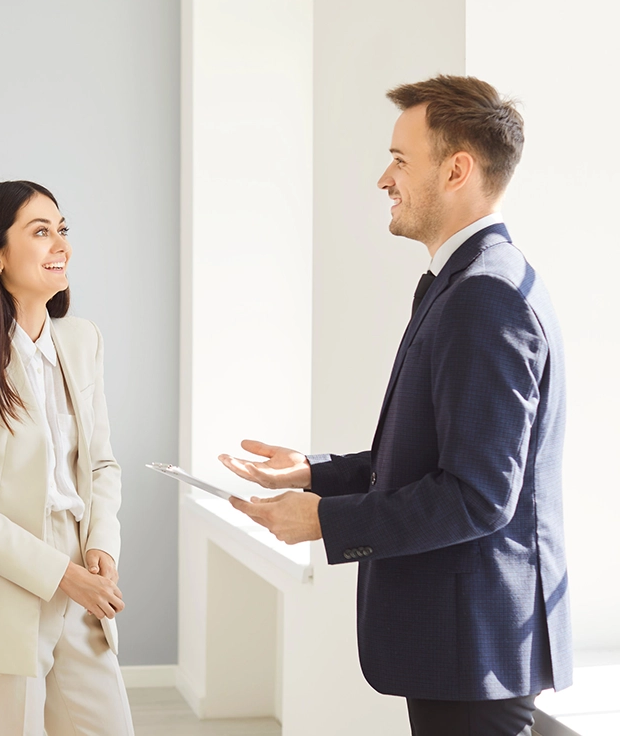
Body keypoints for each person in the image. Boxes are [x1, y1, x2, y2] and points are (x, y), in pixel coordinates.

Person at [220, 76, 571, 736]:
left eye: (401, 160)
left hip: (474, 648)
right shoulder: (466, 283)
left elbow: (476, 495)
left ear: (457, 169)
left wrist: (326, 520)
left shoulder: (485, 297)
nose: (385, 177)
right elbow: (437, 457)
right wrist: (312, 471)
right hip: (470, 646)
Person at [0, 181, 135, 736]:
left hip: (82, 577)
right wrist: (62, 575)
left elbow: (102, 466)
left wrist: (101, 546)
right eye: (40, 232)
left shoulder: (82, 341)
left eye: (62, 230)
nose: (59, 243)